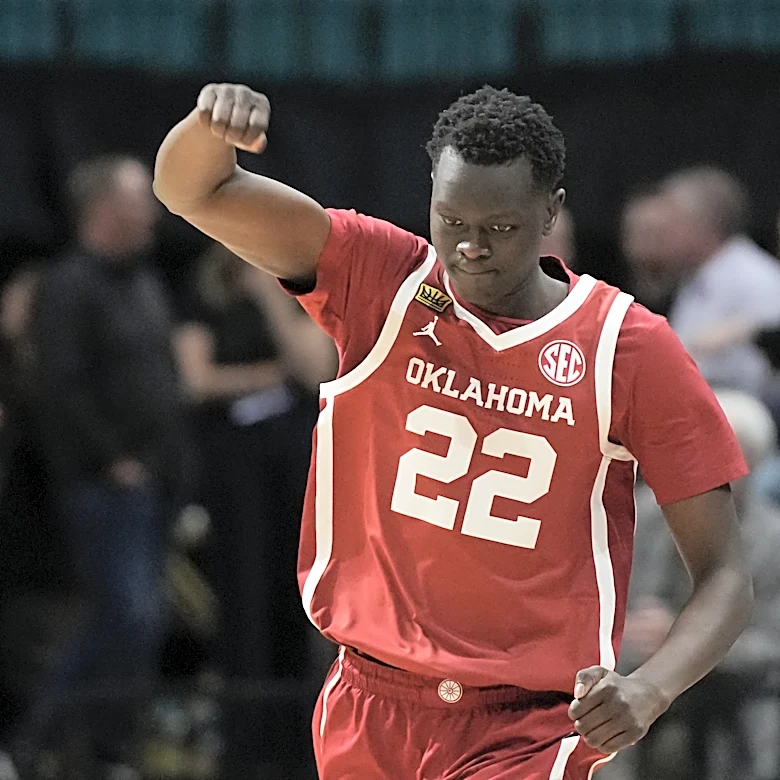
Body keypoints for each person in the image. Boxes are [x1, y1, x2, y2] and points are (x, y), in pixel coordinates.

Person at [154, 83, 752, 779]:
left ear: (550, 210)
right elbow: (192, 190)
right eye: (451, 220)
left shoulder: (628, 345)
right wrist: (207, 126)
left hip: (526, 726)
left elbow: (725, 574)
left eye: (500, 228)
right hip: (367, 700)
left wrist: (651, 689)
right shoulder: (382, 277)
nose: (470, 247)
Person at [16, 155, 190, 778]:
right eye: (139, 200)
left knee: (142, 622)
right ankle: (33, 741)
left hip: (156, 482)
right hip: (104, 485)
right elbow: (59, 387)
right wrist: (111, 459)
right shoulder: (67, 285)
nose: (151, 214)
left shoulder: (144, 283)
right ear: (103, 209)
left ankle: (109, 752)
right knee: (124, 615)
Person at [175, 244, 336, 684]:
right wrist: (268, 375)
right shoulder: (207, 300)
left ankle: (295, 706)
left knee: (295, 582)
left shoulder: (299, 297)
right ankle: (246, 707)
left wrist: (270, 296)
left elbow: (316, 370)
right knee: (244, 583)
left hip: (294, 462)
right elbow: (196, 380)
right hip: (234, 464)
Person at [610, 390, 780, 780]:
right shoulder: (643, 515)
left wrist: (683, 642)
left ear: (751, 466)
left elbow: (772, 648)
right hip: (641, 669)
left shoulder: (773, 540)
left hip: (733, 690)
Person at [661, 166, 780, 396]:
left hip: (738, 402)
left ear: (703, 224)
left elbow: (764, 373)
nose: (663, 234)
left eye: (673, 223)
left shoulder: (756, 277)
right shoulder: (693, 275)